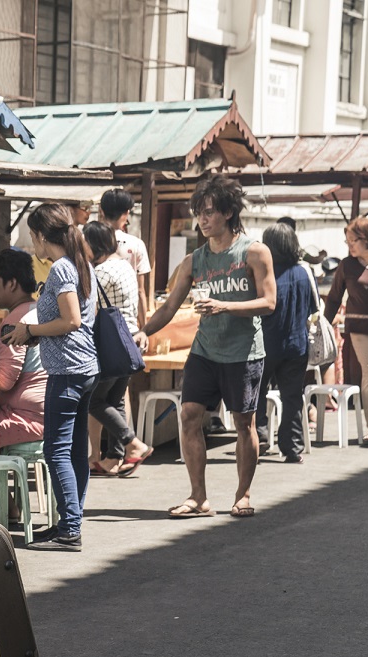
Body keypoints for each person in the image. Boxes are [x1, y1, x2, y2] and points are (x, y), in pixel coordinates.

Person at [140, 175, 276, 518]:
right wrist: (142, 333)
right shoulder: (194, 261)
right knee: (189, 416)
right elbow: (169, 307)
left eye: (209, 212)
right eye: (199, 212)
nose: (202, 219)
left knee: (244, 423)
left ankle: (243, 494)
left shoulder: (255, 251)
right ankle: (198, 498)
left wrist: (225, 306)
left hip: (244, 351)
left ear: (229, 213)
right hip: (204, 351)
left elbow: (270, 302)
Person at [4, 204, 99, 552]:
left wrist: (30, 328)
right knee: (74, 450)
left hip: (67, 370)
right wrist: (32, 334)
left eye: (32, 237)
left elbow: (71, 320)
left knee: (56, 450)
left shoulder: (61, 268)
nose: (33, 245)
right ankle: (67, 522)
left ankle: (69, 528)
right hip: (85, 367)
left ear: (42, 236)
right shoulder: (81, 264)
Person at [83, 221, 153, 477]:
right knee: (114, 399)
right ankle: (116, 456)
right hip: (130, 339)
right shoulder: (125, 266)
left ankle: (133, 443)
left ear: (93, 245)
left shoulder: (101, 272)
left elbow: (89, 309)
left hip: (110, 343)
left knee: (93, 399)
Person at [323, 216, 368, 447]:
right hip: (360, 329)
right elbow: (334, 298)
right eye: (347, 241)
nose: (349, 246)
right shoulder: (347, 265)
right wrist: (325, 323)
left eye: (353, 241)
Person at [255, 224, 318, 463]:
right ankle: (292, 447)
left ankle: (260, 436)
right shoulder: (304, 272)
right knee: (292, 397)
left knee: (256, 393)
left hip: (264, 344)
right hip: (296, 345)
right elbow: (313, 308)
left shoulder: (264, 274)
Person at [0, 248, 47, 447]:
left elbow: (3, 383)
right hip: (48, 413)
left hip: (26, 417)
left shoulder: (13, 322)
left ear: (11, 283)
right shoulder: (39, 311)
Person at [99, 188, 152, 329]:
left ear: (102, 211)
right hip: (127, 324)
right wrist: (144, 329)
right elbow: (141, 291)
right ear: (126, 213)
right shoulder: (136, 244)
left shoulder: (89, 241)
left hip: (98, 323)